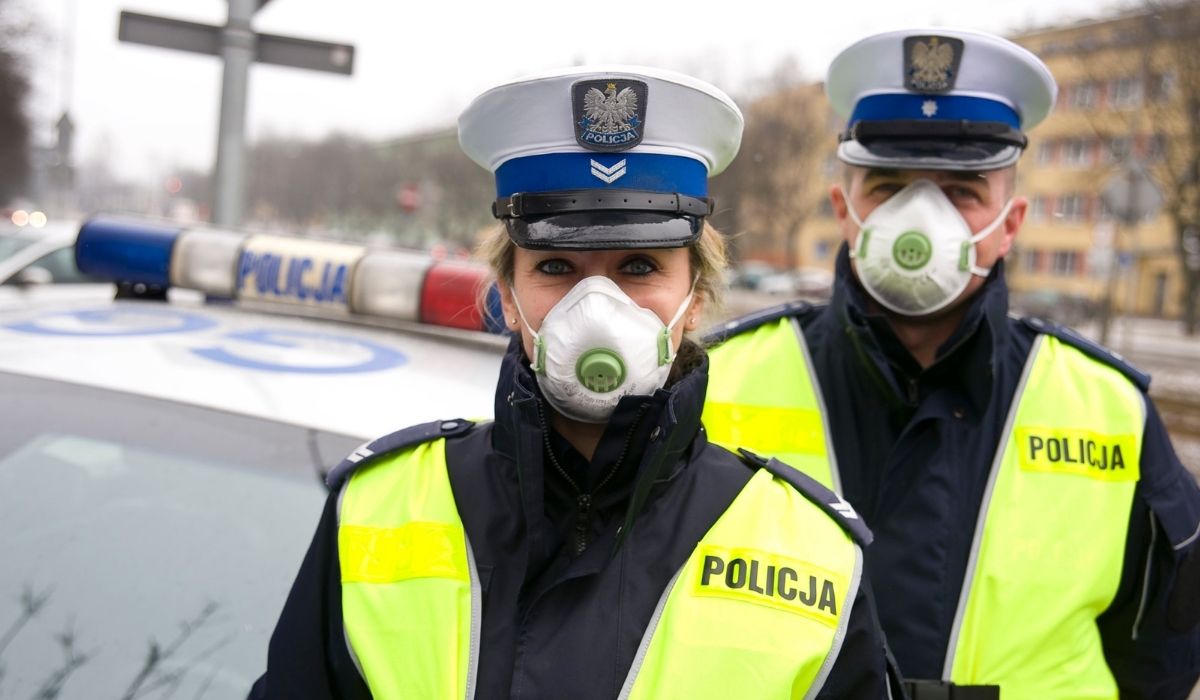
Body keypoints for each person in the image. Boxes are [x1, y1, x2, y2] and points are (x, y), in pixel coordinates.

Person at [250, 66, 898, 699]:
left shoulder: (815, 556)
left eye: (639, 266)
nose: (597, 306)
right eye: (556, 266)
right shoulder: (374, 508)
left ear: (694, 298)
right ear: (508, 295)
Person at [703, 28, 1200, 699]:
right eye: (889, 187)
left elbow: (1163, 653)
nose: (921, 220)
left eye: (962, 191)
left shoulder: (1107, 406)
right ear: (844, 210)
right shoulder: (718, 380)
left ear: (1012, 221)